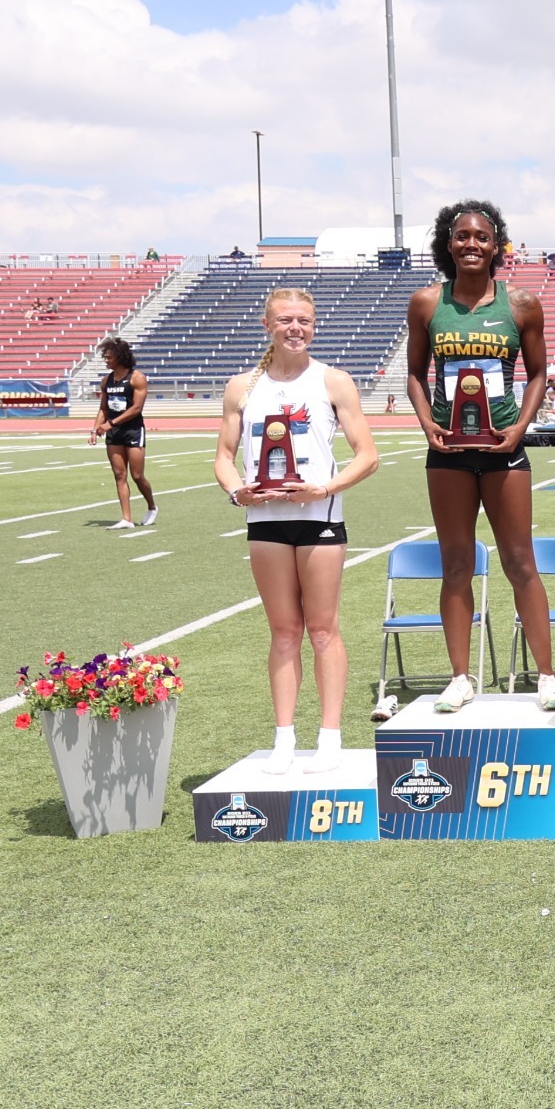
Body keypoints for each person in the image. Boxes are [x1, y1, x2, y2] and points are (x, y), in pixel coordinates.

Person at [213, 288, 380, 771]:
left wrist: (324, 488)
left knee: (323, 629)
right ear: (268, 325)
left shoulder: (333, 381)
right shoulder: (241, 387)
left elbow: (367, 455)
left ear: (314, 326)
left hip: (319, 520)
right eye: (285, 320)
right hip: (265, 521)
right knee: (284, 632)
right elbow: (224, 458)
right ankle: (284, 737)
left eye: (304, 320)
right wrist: (237, 491)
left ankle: (330, 736)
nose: (295, 328)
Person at [405, 199, 555, 711]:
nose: (472, 244)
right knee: (455, 563)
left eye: (482, 237)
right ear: (448, 243)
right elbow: (414, 372)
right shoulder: (427, 303)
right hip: (448, 452)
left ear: (497, 245)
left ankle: (545, 675)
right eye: (462, 236)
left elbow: (537, 373)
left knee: (520, 560)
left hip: (504, 450)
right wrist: (427, 422)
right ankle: (459, 678)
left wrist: (521, 426)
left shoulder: (521, 305)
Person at [91, 338, 156, 529]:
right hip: (114, 433)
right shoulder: (107, 381)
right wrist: (95, 429)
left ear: (120, 357)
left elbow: (136, 408)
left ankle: (152, 506)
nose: (106, 361)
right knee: (119, 474)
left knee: (137, 475)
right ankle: (126, 518)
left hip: (133, 430)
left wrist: (111, 423)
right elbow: (103, 407)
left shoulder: (137, 378)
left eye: (109, 357)